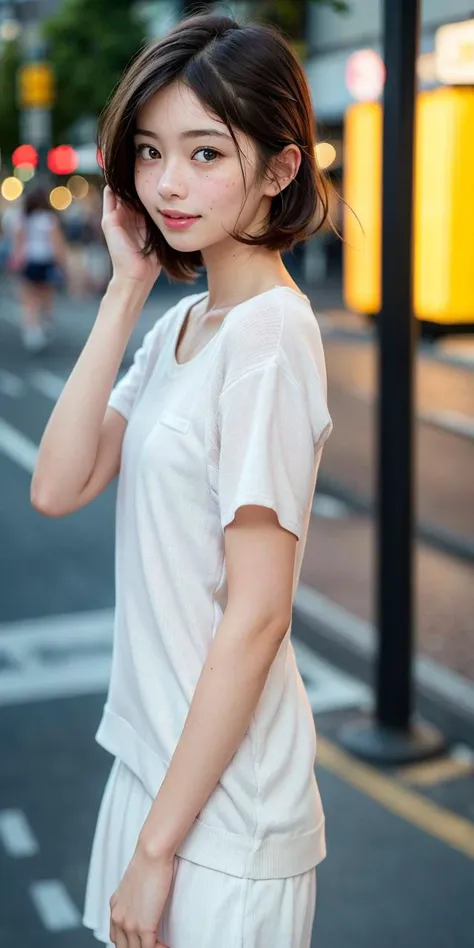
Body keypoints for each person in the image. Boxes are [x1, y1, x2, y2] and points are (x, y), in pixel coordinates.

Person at [31, 12, 334, 948]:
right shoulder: (184, 326)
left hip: (222, 817)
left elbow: (258, 616)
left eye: (206, 153)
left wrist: (158, 852)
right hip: (155, 768)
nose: (168, 183)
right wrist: (127, 288)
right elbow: (57, 484)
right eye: (153, 152)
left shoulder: (271, 339)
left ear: (281, 169)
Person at [12, 186, 68, 351]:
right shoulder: (49, 219)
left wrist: (16, 262)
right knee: (46, 295)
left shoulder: (23, 219)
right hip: (45, 260)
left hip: (29, 260)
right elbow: (57, 245)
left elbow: (19, 244)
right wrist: (62, 265)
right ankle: (45, 322)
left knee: (28, 298)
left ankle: (31, 330)